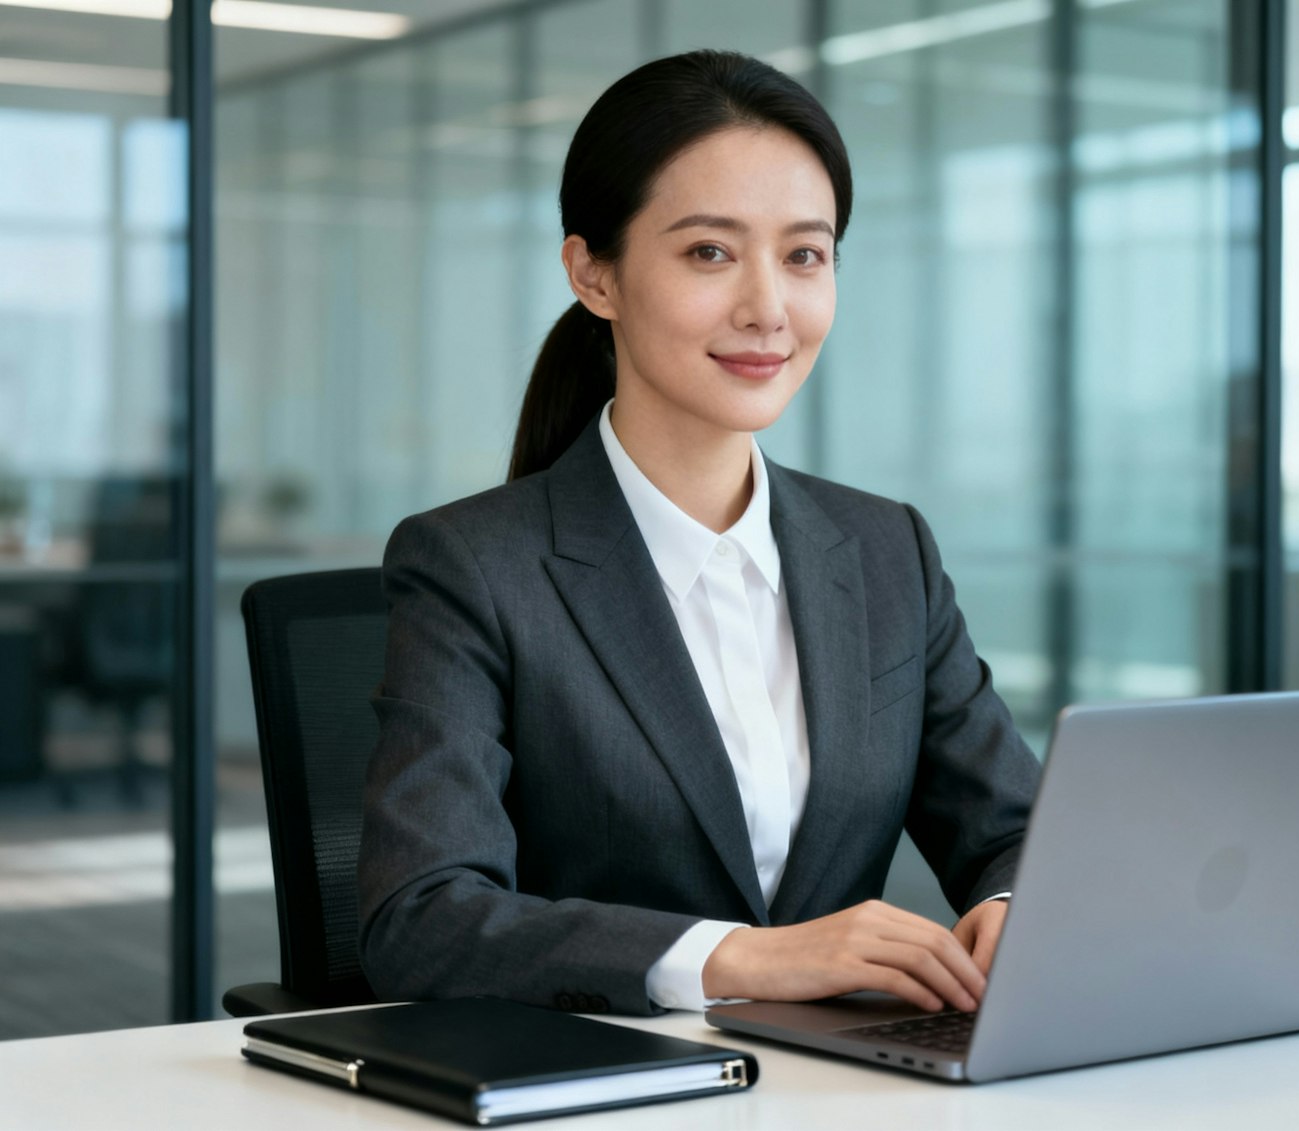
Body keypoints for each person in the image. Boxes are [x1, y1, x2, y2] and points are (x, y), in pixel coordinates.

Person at [357, 49, 1041, 1019]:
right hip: (600, 1088)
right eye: (710, 252)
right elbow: (420, 919)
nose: (768, 308)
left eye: (805, 255)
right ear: (594, 275)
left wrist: (1017, 903)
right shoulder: (474, 569)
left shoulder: (889, 552)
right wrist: (740, 962)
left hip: (840, 1088)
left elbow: (1018, 829)